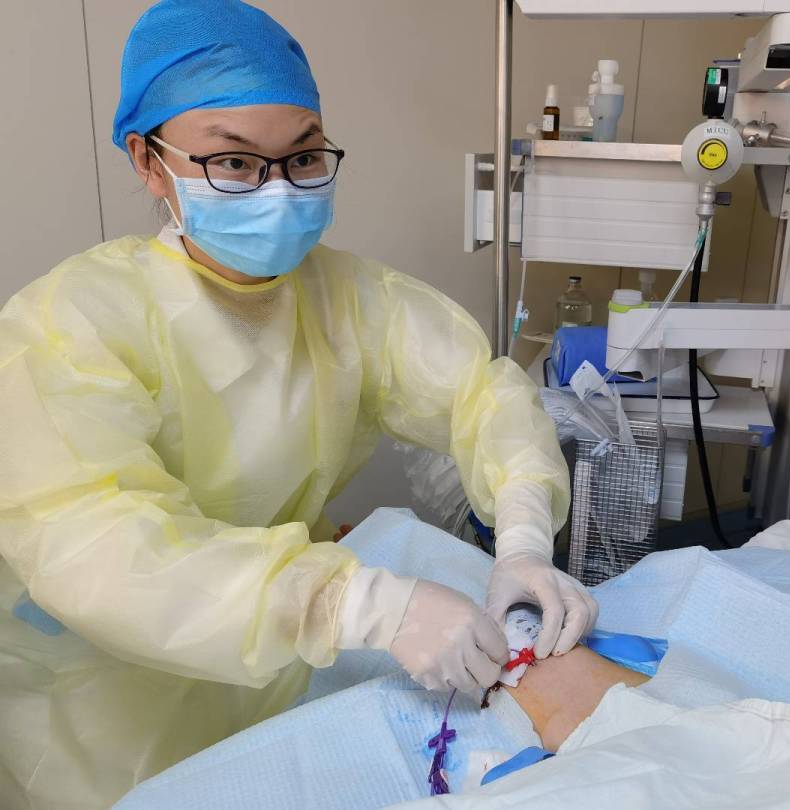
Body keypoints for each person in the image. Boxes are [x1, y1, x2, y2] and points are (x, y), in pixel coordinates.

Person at [0, 0, 597, 806]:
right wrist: (354, 604)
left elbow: (481, 396)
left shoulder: (347, 299)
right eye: (234, 162)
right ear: (149, 160)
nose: (277, 190)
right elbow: (98, 548)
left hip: (279, 669)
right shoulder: (70, 324)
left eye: (304, 157)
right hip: (103, 699)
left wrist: (523, 538)